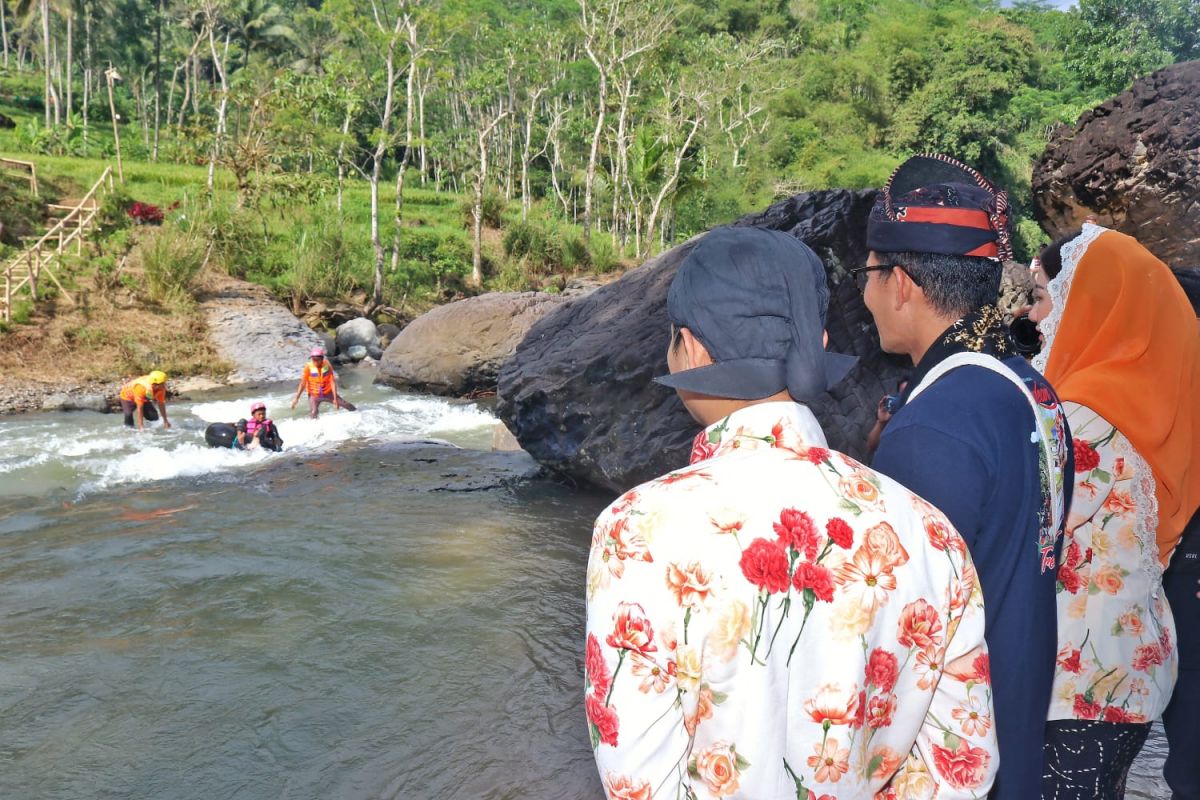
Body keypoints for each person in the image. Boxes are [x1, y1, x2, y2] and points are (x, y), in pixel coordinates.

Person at [586, 226, 998, 799]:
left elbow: (639, 779)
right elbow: (963, 764)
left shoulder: (639, 529)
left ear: (693, 348)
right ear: (818, 338)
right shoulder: (927, 530)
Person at [858, 154, 1072, 800]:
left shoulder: (932, 432)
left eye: (868, 275)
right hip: (1018, 716)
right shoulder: (1032, 389)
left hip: (952, 758)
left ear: (900, 284)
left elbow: (899, 636)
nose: (863, 294)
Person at [1028, 224, 1200, 799]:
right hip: (1129, 663)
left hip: (1078, 671)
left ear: (1088, 303)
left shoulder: (1086, 409)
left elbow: (1034, 515)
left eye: (1045, 295)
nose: (1034, 315)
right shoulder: (1152, 396)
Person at [290, 347, 355, 418]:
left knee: (346, 405)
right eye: (313, 359)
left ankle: (358, 412)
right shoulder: (308, 367)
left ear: (322, 359)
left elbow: (332, 381)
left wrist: (335, 398)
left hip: (328, 394)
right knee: (313, 413)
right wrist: (296, 398)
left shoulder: (327, 365)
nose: (315, 362)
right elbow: (302, 383)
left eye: (317, 360)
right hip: (314, 395)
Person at [866, 374, 910, 458]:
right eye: (902, 394)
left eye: (907, 392)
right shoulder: (894, 416)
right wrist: (881, 422)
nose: (905, 398)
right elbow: (871, 446)